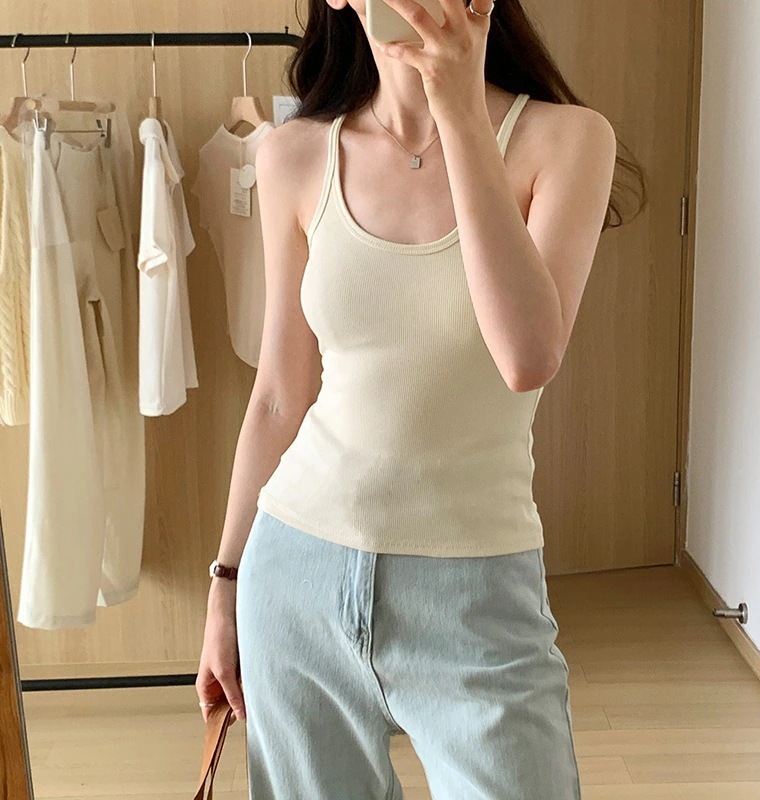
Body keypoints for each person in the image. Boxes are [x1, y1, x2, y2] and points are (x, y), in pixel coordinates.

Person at [197, 0, 643, 797]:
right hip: (296, 574)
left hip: (473, 587)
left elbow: (527, 356)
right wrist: (224, 588)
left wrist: (460, 112)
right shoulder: (293, 154)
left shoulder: (567, 140)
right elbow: (277, 396)